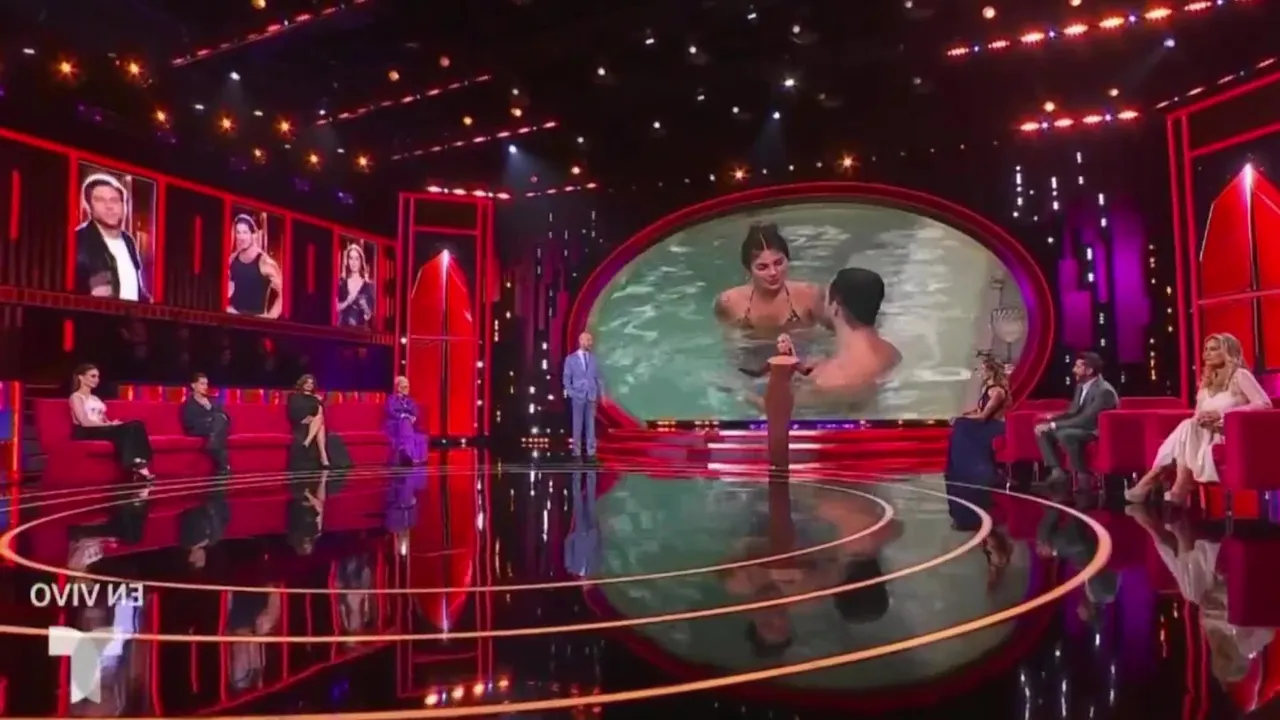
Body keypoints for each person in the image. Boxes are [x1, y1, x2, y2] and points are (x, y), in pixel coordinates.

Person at [1125, 333, 1272, 506]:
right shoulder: (1206, 383)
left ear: (1228, 352)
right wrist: (1203, 419)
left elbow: (1265, 404)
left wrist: (1223, 414)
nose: (1207, 354)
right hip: (1204, 434)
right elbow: (1197, 416)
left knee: (1187, 427)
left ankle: (1155, 481)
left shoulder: (1240, 375)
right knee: (1189, 425)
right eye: (1206, 349)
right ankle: (1178, 485)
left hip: (1229, 434)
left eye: (1214, 349)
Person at [776, 267, 900, 413]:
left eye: (825, 297)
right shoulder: (891, 353)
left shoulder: (830, 381)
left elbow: (774, 407)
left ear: (836, 304)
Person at [714, 223, 827, 337]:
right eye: (762, 267)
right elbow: (729, 343)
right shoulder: (730, 303)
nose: (773, 272)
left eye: (778, 263)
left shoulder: (811, 296)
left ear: (788, 260)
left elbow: (830, 337)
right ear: (749, 269)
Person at [1034, 351, 1117, 488]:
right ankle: (1057, 471)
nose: (1073, 370)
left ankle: (1083, 475)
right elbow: (1073, 412)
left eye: (1078, 367)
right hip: (1082, 426)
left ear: (1089, 370)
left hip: (1094, 430)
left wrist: (1054, 425)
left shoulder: (1104, 391)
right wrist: (1051, 421)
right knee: (1042, 430)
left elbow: (1087, 419)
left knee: (1065, 434)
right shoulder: (1080, 387)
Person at [68, 364, 156, 488]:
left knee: (137, 424)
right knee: (129, 429)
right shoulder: (76, 397)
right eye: (93, 376)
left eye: (98, 377)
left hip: (101, 428)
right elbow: (84, 421)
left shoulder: (95, 398)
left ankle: (140, 462)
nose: (96, 379)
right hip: (86, 431)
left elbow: (103, 419)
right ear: (81, 377)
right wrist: (109, 425)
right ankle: (137, 466)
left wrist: (111, 423)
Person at [74, 173, 150, 302]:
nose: (109, 206)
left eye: (114, 200)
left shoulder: (128, 240)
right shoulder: (79, 238)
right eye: (100, 200)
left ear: (123, 206)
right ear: (89, 206)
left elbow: (136, 288)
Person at [740, 334, 813, 467]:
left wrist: (815, 366)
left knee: (782, 428)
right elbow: (758, 373)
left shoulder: (794, 361)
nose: (780, 344)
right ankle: (773, 461)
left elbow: (805, 372)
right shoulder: (772, 360)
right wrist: (744, 370)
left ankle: (782, 461)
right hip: (771, 395)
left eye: (783, 341)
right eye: (778, 342)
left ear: (788, 344)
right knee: (772, 428)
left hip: (785, 395)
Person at [946, 354, 1010, 485]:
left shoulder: (997, 392)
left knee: (962, 425)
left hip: (996, 426)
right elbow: (979, 411)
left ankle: (977, 471)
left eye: (982, 370)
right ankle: (961, 471)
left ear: (991, 372)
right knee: (960, 425)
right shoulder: (987, 389)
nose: (980, 373)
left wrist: (962, 418)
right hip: (987, 424)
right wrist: (966, 415)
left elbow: (983, 417)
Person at [286, 374, 352, 472]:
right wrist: (303, 419)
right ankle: (323, 458)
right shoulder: (294, 396)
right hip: (301, 423)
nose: (309, 385)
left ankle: (308, 442)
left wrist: (319, 402)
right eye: (307, 383)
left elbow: (320, 413)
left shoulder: (316, 398)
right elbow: (291, 411)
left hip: (315, 422)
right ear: (302, 383)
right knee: (320, 424)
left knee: (319, 419)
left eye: (311, 383)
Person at [226, 214, 283, 318]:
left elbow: (283, 293)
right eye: (238, 232)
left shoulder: (265, 262)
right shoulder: (232, 259)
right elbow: (229, 288)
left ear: (254, 235)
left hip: (256, 321)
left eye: (245, 232)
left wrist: (271, 316)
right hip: (234, 319)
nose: (241, 237)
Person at [179, 372, 231, 476]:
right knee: (219, 424)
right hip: (197, 429)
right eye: (202, 384)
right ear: (193, 385)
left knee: (219, 421)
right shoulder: (188, 404)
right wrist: (209, 420)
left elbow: (226, 418)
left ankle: (220, 460)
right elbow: (188, 423)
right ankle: (223, 463)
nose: (205, 387)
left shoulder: (212, 402)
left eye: (206, 384)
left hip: (213, 429)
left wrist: (210, 408)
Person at [562, 331, 603, 460]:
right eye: (588, 340)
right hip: (577, 395)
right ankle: (576, 451)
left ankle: (591, 451)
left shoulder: (594, 358)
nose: (591, 342)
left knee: (591, 425)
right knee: (577, 424)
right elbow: (566, 378)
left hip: (591, 395)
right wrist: (571, 392)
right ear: (581, 341)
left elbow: (597, 377)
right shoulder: (571, 359)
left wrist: (598, 393)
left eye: (591, 340)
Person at [385, 376, 427, 465]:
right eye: (405, 387)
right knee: (405, 420)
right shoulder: (391, 399)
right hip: (395, 425)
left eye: (408, 387)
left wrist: (413, 417)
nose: (408, 389)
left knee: (419, 434)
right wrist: (402, 416)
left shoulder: (410, 401)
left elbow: (415, 412)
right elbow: (391, 412)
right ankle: (410, 456)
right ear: (398, 388)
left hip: (409, 425)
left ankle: (411, 456)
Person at [336, 243, 375, 328]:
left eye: (356, 259)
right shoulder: (342, 283)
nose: (353, 262)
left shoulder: (368, 286)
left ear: (361, 261)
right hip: (342, 329)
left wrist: (366, 310)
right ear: (347, 260)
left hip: (360, 331)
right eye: (351, 258)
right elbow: (335, 307)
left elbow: (369, 315)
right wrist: (347, 302)